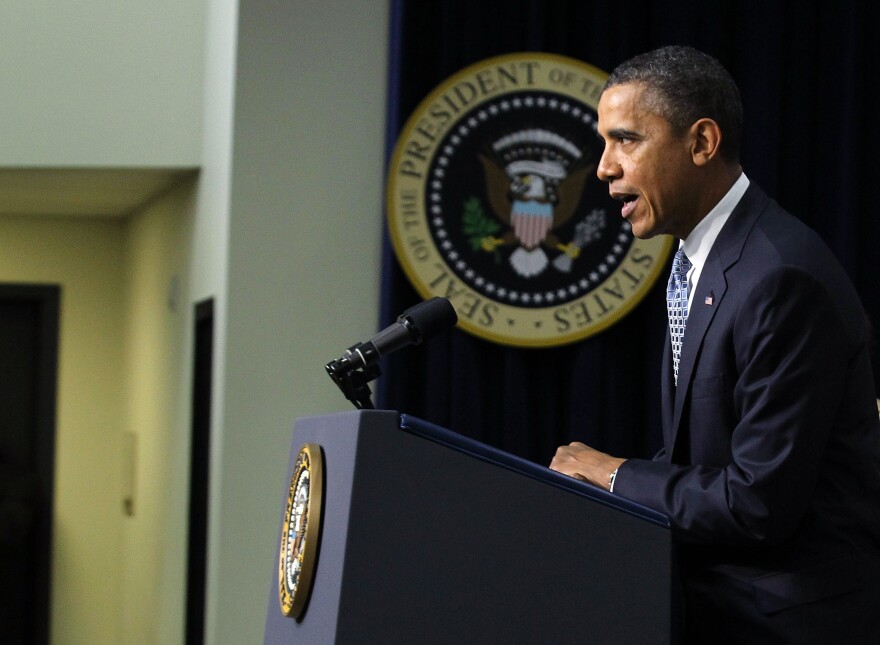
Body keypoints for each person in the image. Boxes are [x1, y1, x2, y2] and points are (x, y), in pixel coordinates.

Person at [549, 45, 880, 644]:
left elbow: (757, 503)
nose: (602, 167)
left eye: (625, 140)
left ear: (701, 143)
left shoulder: (780, 277)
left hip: (787, 622)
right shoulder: (700, 261)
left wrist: (615, 474)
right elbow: (702, 462)